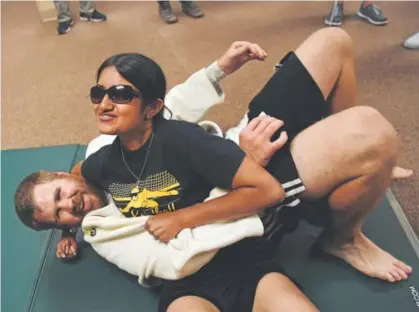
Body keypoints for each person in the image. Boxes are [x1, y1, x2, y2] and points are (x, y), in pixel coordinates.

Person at [15, 28, 414, 312]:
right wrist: (247, 164)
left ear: (62, 173)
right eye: (60, 217)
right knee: (371, 134)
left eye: (60, 194)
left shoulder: (99, 156)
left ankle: (350, 174)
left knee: (334, 42)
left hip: (237, 144)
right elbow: (171, 244)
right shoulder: (102, 227)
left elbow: (166, 107)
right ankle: (346, 224)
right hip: (243, 184)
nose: (70, 206)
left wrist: (218, 70)